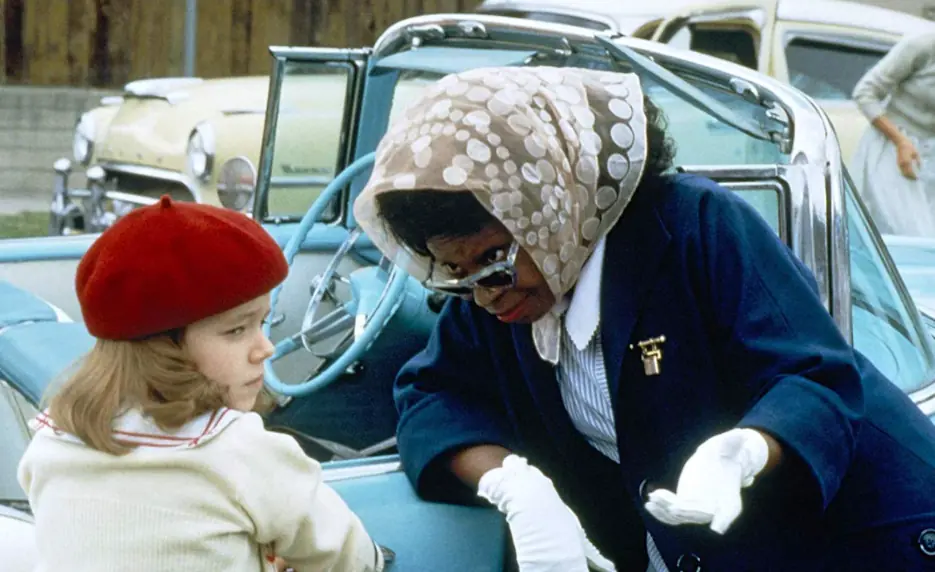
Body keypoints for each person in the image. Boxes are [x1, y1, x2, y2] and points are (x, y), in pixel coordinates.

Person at [353, 66, 935, 571]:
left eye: (491, 261)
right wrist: (513, 485)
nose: (482, 296)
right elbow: (430, 394)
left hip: (863, 538)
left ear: (548, 206)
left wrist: (747, 451)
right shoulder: (503, 286)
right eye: (455, 274)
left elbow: (815, 377)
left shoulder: (696, 227)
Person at [18, 197, 385, 572]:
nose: (266, 348)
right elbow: (355, 559)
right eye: (237, 330)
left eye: (261, 323)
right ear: (162, 349)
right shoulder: (241, 451)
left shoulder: (51, 443)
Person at [851, 31, 935, 238]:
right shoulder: (922, 45)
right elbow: (865, 93)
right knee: (908, 234)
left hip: (929, 155)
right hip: (894, 147)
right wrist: (901, 142)